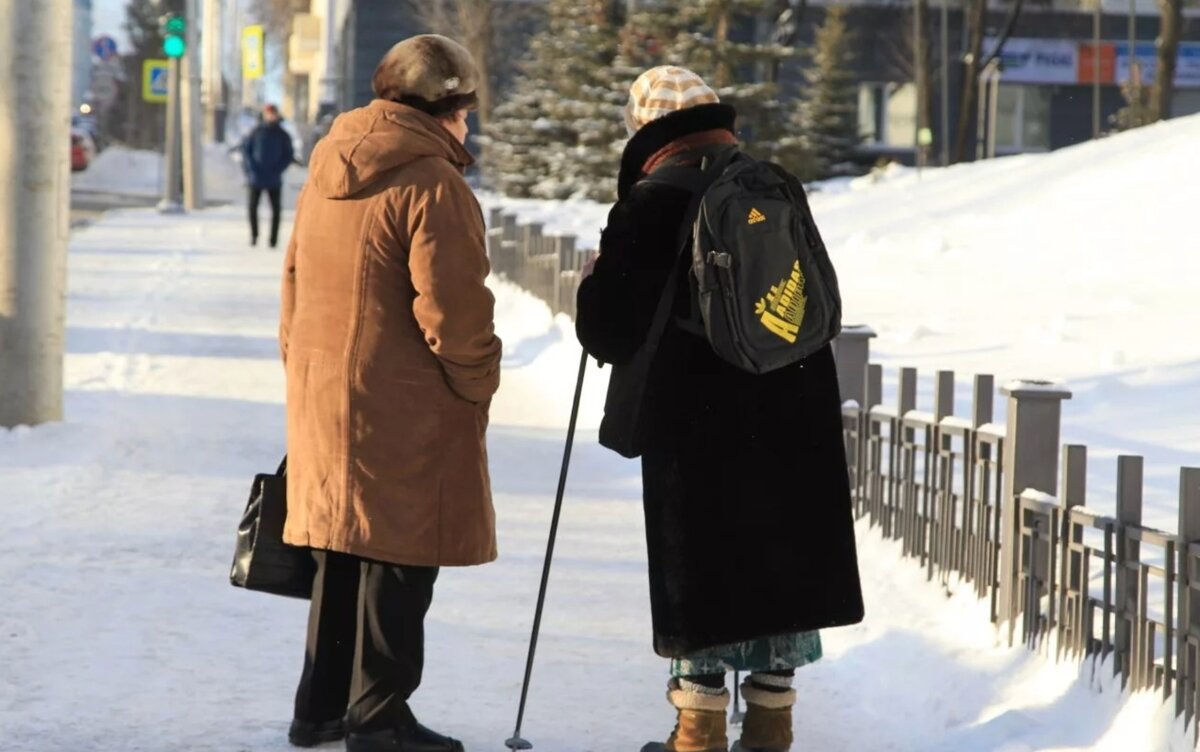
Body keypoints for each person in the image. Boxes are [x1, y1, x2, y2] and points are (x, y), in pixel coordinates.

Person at [575, 66, 865, 752]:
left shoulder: (652, 198)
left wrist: (594, 284)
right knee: (778, 561)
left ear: (646, 128)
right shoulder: (771, 185)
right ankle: (771, 726)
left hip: (695, 416)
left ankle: (697, 730)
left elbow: (609, 332)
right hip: (790, 402)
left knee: (702, 565)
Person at [278, 35, 501, 752]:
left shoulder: (325, 172)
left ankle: (319, 710)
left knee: (341, 551)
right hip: (405, 406)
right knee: (401, 558)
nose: (469, 126)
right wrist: (477, 386)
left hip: (325, 396)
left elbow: (291, 287)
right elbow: (455, 315)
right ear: (446, 110)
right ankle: (378, 716)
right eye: (466, 111)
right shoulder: (433, 184)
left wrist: (305, 376)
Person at [242, 103, 295, 248]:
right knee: (252, 208)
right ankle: (254, 236)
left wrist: (278, 169)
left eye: (273, 113)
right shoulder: (255, 132)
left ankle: (273, 240)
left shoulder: (282, 135)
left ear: (276, 115)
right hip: (256, 177)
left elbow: (288, 155)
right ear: (264, 115)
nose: (271, 116)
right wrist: (251, 169)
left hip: (274, 178)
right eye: (268, 113)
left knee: (276, 210)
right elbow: (247, 151)